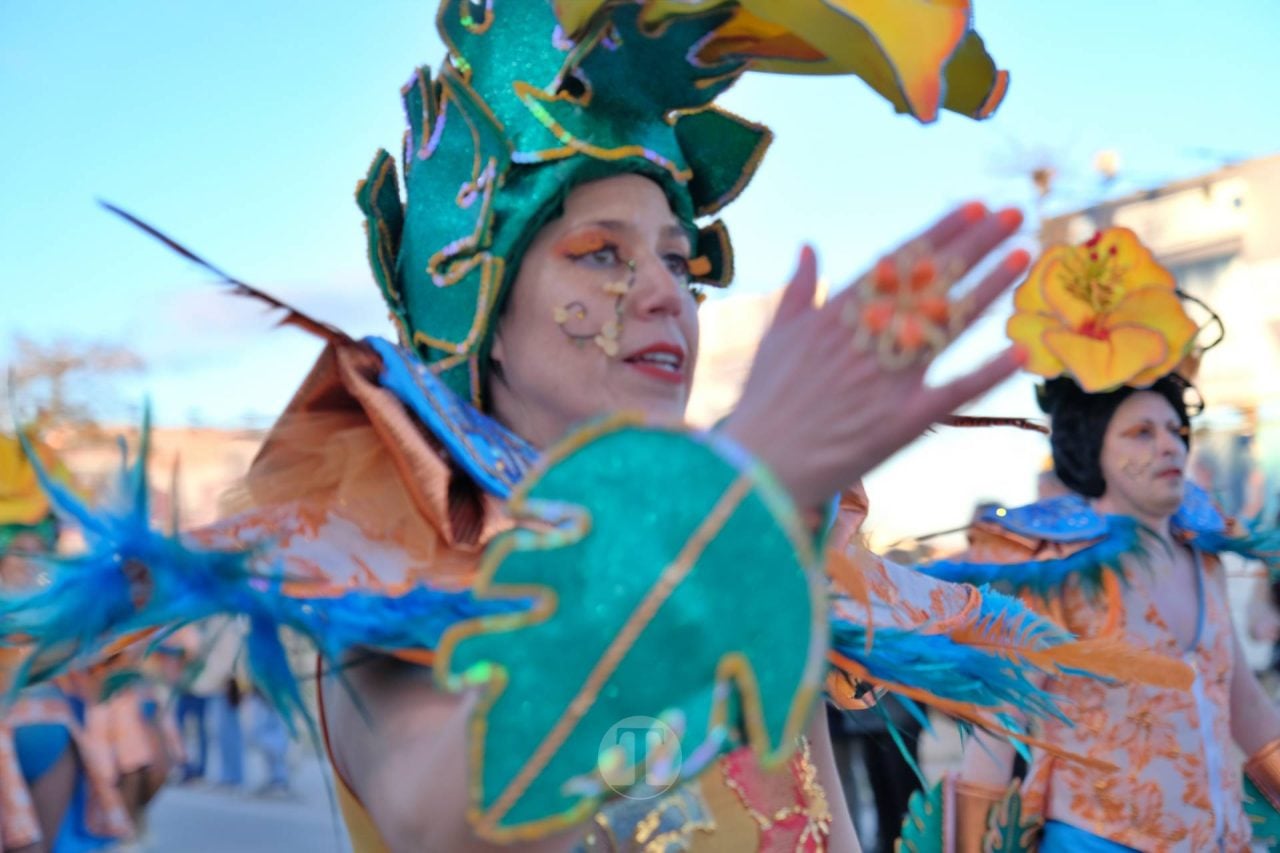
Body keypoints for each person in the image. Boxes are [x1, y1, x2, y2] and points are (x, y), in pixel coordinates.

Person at [0, 3, 1176, 852]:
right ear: (483, 320)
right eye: (599, 255)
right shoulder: (393, 548)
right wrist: (736, 493)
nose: (663, 292)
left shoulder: (759, 544)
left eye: (678, 260)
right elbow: (446, 811)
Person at [919, 227, 1280, 851]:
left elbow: (1244, 704)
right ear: (1095, 451)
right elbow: (998, 733)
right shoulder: (1055, 568)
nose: (1169, 445)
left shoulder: (1205, 559)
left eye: (1175, 430)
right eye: (1141, 433)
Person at [0, 435, 131, 853]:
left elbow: (90, 657)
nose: (30, 557)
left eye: (39, 544)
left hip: (55, 732)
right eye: (19, 546)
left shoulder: (60, 600)